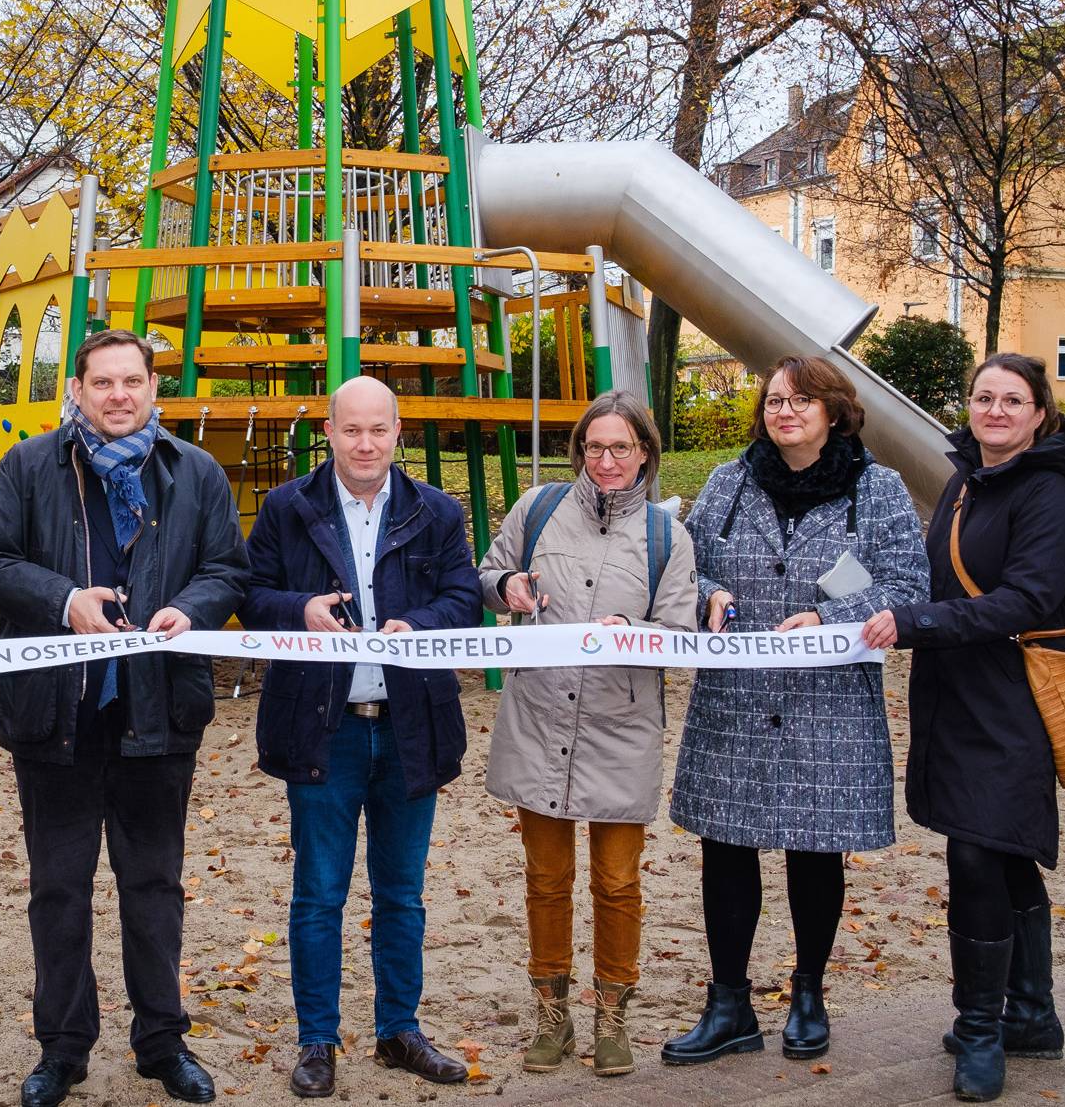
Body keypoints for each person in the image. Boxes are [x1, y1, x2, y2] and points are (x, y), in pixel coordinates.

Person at [0, 328, 248, 1107]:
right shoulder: (29, 465)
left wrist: (192, 607)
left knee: (153, 884)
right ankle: (63, 1047)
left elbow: (229, 568)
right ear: (78, 390)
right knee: (59, 887)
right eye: (103, 382)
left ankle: (161, 1041)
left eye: (132, 381)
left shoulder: (197, 472)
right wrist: (63, 599)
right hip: (56, 712)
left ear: (155, 387)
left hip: (158, 711)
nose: (119, 395)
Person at [664, 354, 929, 1066]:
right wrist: (708, 595)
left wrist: (830, 614)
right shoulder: (726, 482)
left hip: (828, 701)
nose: (784, 411)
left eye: (801, 401)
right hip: (737, 699)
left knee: (815, 849)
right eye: (775, 400)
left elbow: (909, 581)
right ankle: (729, 1004)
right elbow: (685, 568)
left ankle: (808, 991)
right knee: (725, 846)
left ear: (833, 411)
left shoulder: (877, 490)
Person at [862, 352, 1065, 1103]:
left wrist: (916, 623)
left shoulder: (1056, 499)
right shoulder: (971, 479)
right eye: (983, 396)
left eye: (1012, 399)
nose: (995, 410)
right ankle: (1031, 1013)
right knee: (1005, 852)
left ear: (1040, 413)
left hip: (1015, 698)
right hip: (960, 693)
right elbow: (941, 576)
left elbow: (1024, 600)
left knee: (977, 852)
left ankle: (982, 1028)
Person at [240, 376, 483, 1098]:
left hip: (411, 726)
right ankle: (317, 1039)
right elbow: (247, 596)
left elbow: (465, 598)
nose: (367, 443)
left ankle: (398, 1028)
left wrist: (424, 626)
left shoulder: (436, 511)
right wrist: (300, 607)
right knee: (318, 893)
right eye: (353, 430)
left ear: (399, 430)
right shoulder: (288, 507)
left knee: (402, 893)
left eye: (379, 429)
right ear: (331, 430)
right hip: (323, 729)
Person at [474, 389, 698, 1078]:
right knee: (546, 877)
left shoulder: (668, 537)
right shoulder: (537, 508)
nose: (606, 459)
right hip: (539, 717)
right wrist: (507, 584)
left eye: (620, 447)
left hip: (619, 728)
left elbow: (682, 636)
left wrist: (640, 635)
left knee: (618, 881)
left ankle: (612, 1013)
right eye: (594, 446)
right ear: (580, 450)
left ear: (645, 454)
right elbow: (486, 572)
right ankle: (551, 1012)